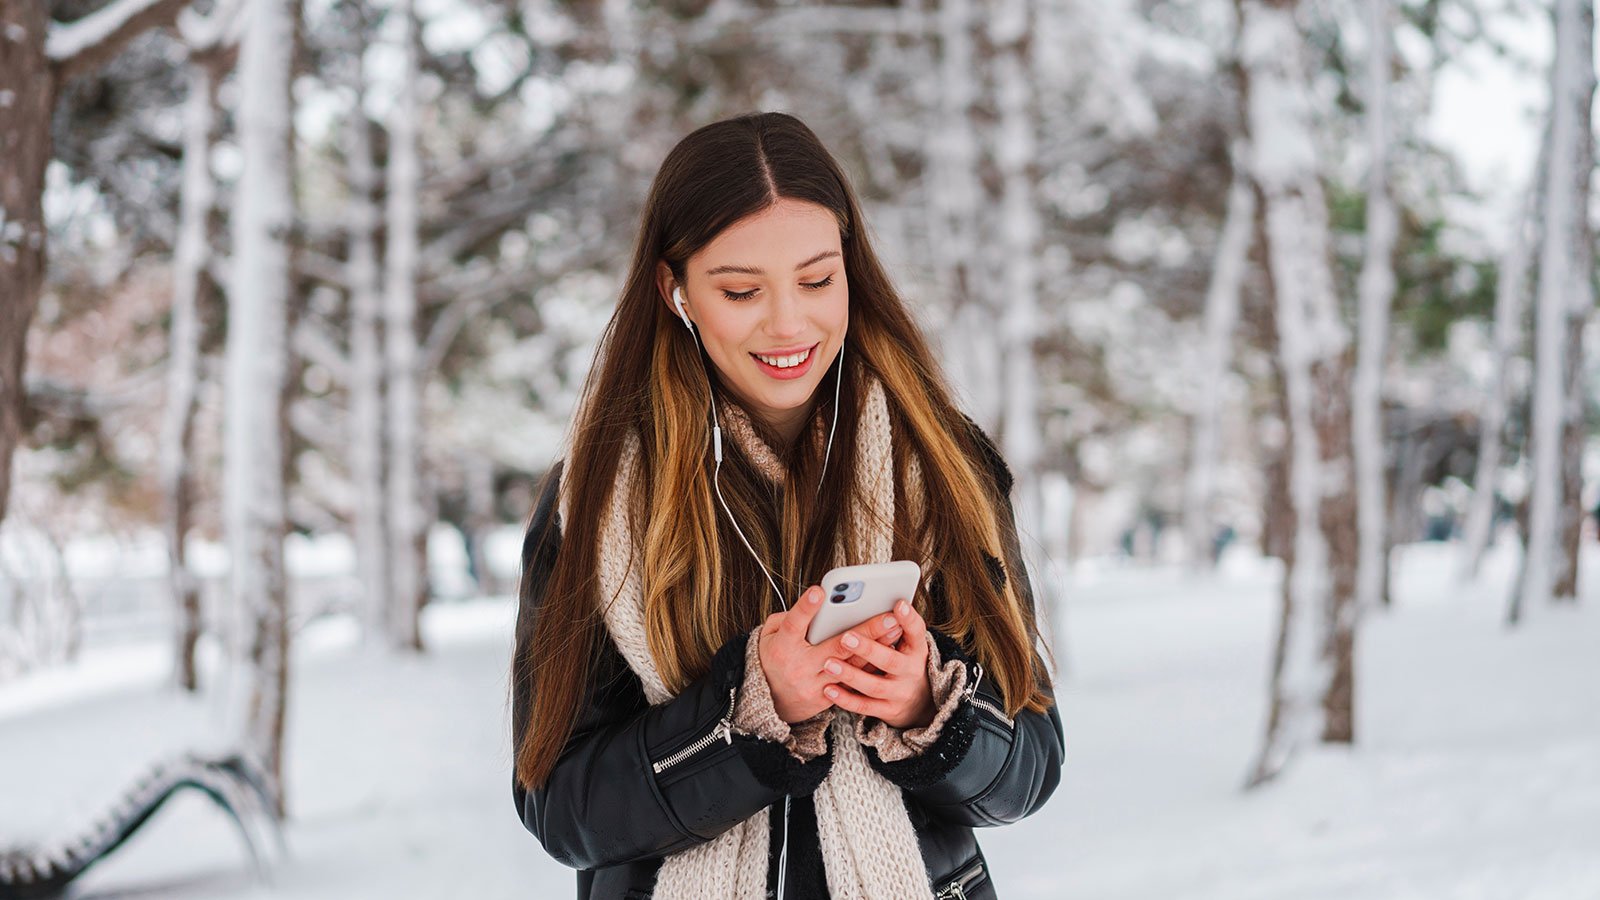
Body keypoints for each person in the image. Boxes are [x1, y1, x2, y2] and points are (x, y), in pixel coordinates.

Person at [510, 111, 1064, 900]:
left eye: (816, 279)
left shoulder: (942, 464)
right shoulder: (596, 499)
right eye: (741, 290)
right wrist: (743, 714)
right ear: (675, 291)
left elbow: (1031, 766)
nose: (788, 323)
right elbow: (560, 807)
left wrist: (926, 708)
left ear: (850, 269)